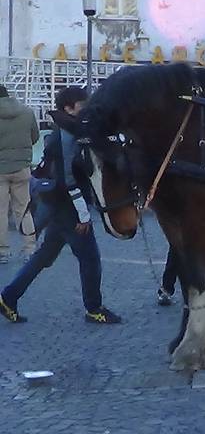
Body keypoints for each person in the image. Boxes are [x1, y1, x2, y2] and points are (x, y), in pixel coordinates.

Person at [0, 86, 121, 324]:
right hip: (69, 207)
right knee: (90, 258)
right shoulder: (68, 135)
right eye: (81, 104)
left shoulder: (63, 130)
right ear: (69, 107)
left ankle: (8, 297)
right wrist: (84, 215)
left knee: (44, 255)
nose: (85, 108)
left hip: (57, 202)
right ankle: (94, 308)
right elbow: (69, 179)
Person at [0, 84, 40, 263]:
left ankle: (2, 251)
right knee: (23, 210)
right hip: (22, 168)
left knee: (0, 212)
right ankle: (30, 248)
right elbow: (35, 137)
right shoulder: (26, 112)